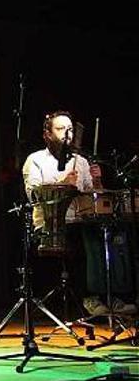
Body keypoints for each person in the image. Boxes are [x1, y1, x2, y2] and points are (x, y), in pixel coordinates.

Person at [22, 111, 136, 316]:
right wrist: (63, 184)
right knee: (86, 236)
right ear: (47, 134)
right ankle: (91, 297)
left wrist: (98, 182)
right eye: (60, 129)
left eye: (70, 129)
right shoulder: (35, 160)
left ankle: (111, 295)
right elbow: (34, 197)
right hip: (52, 225)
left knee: (112, 233)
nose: (67, 133)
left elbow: (93, 199)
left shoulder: (81, 162)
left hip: (81, 220)